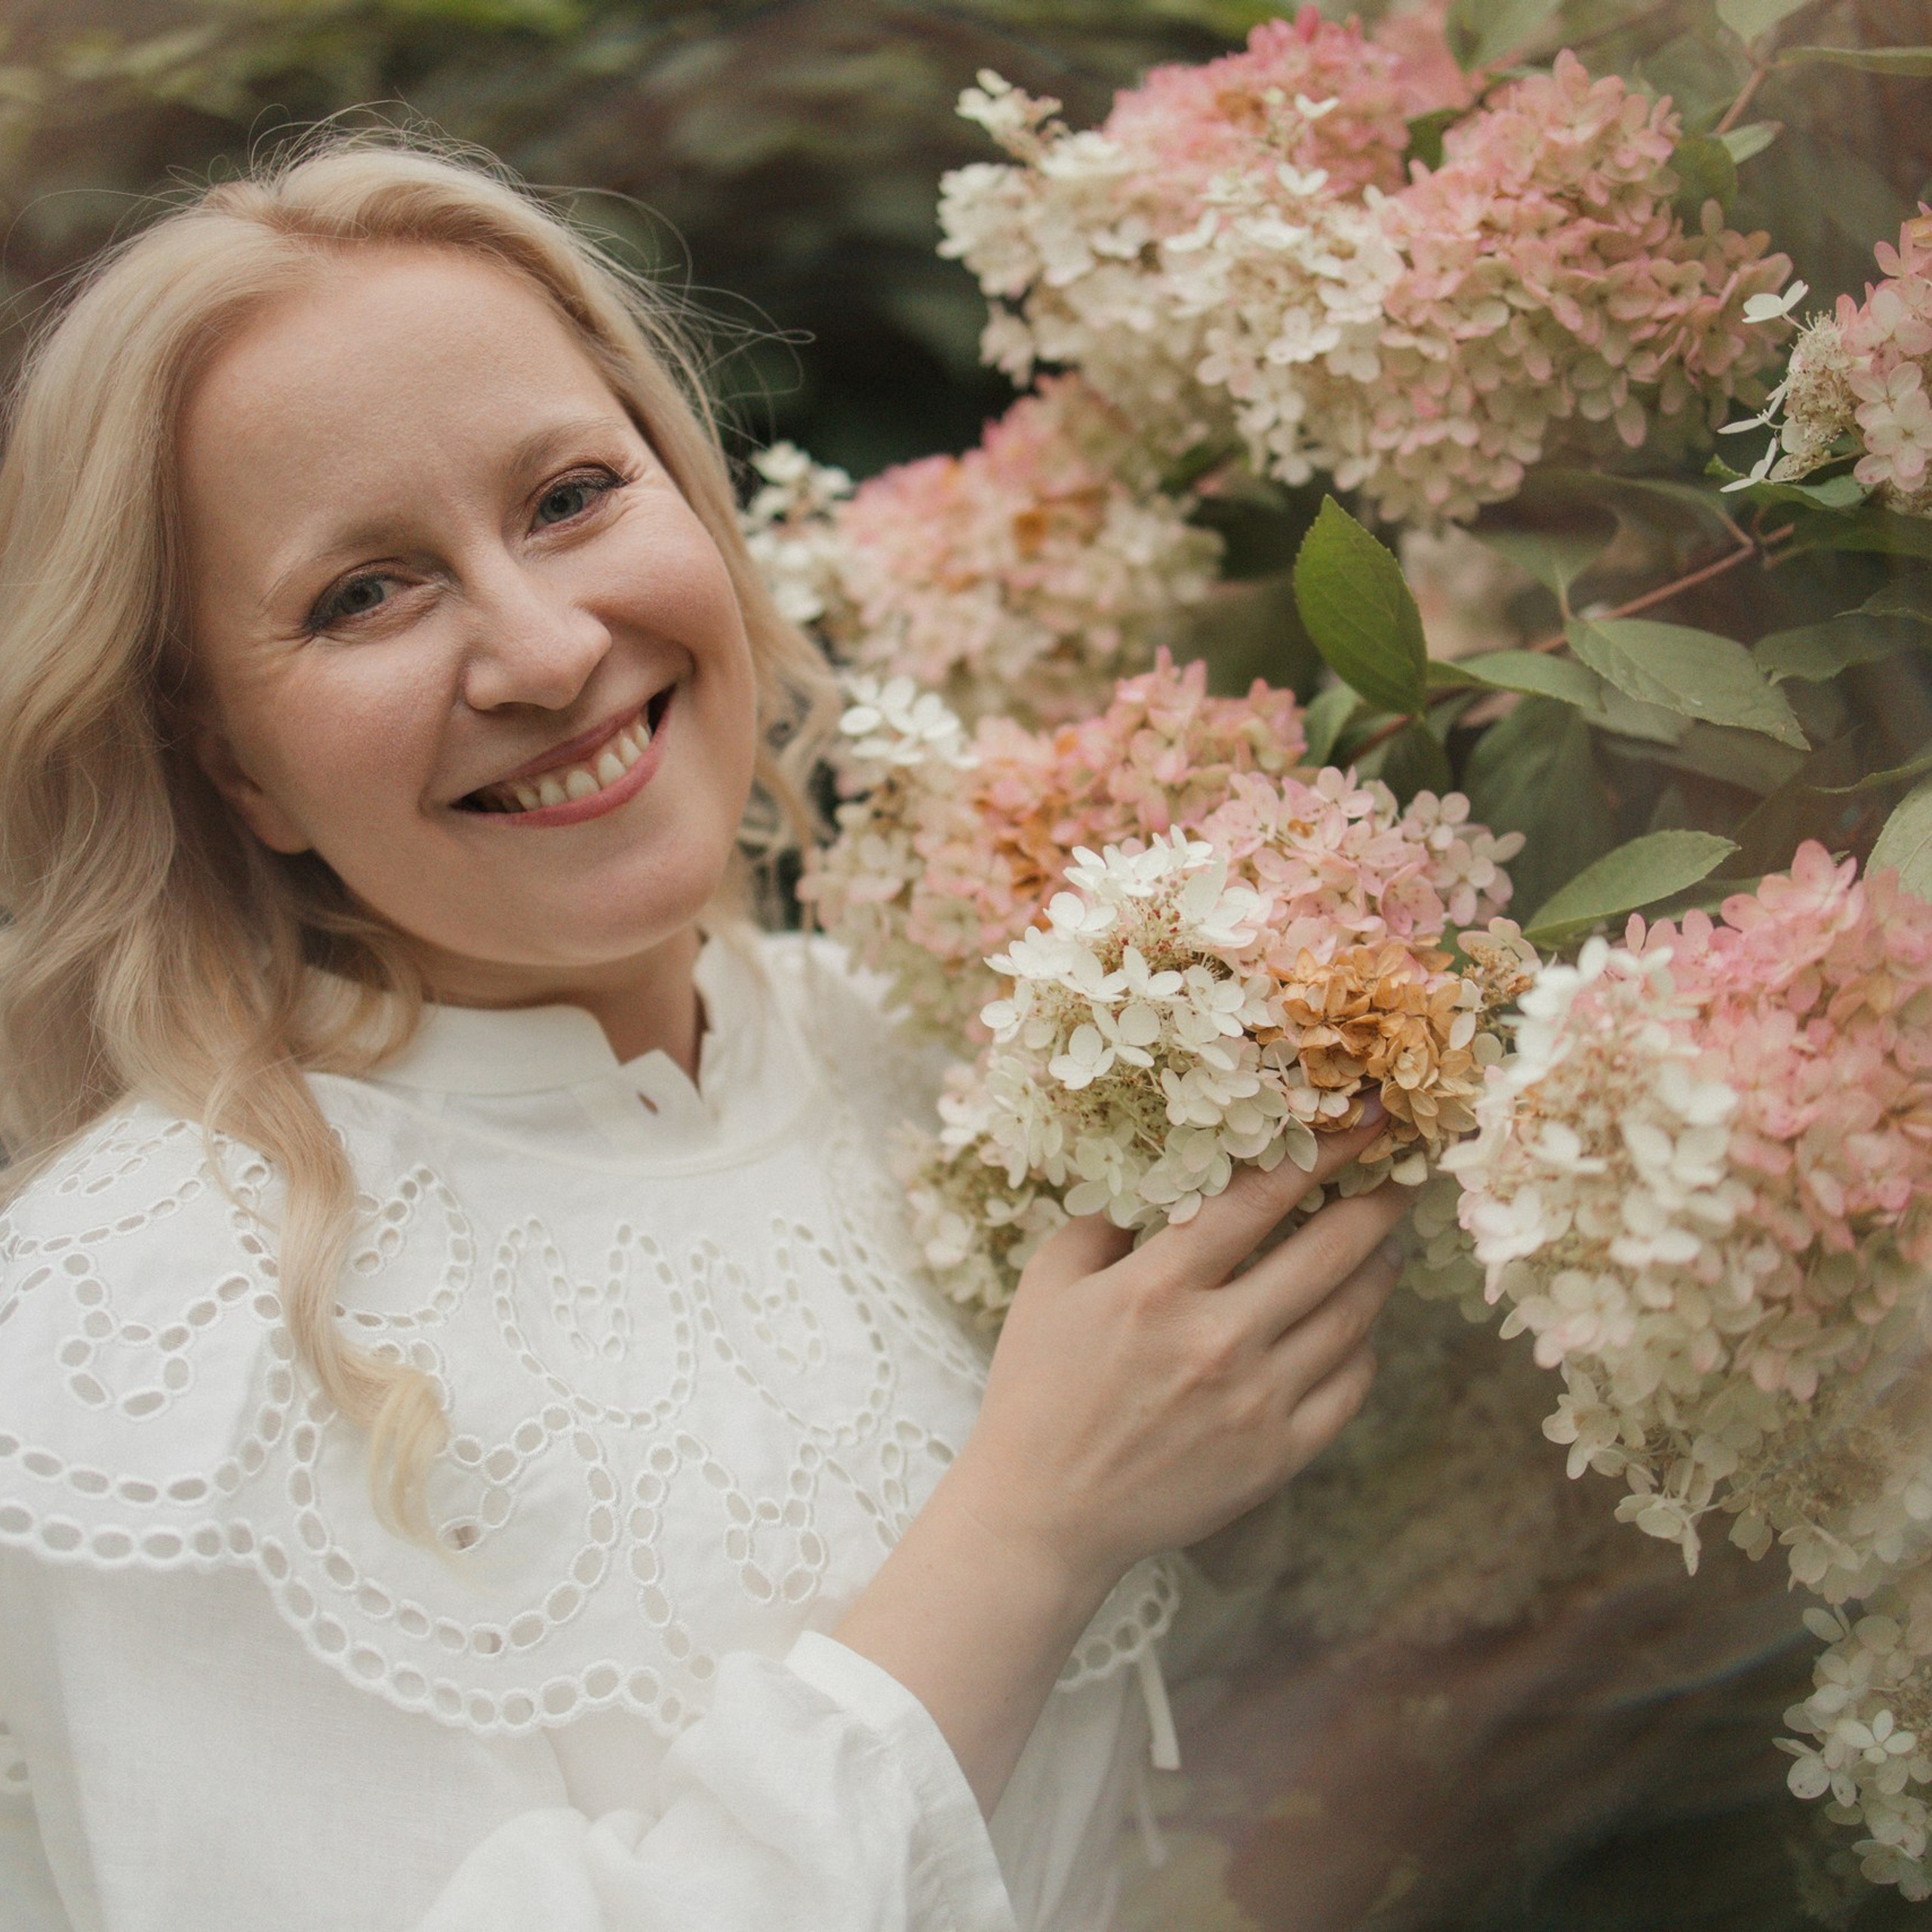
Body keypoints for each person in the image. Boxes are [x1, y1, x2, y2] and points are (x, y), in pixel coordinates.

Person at [0, 132, 1407, 1932]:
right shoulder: (135, 1335)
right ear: (232, 765)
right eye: (365, 591)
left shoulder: (920, 1041)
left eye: (571, 496)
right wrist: (1031, 1527)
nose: (540, 646)